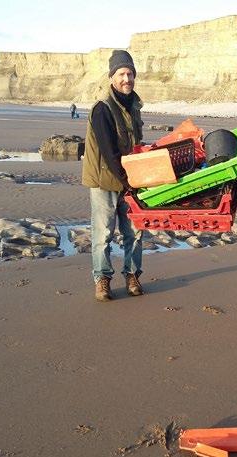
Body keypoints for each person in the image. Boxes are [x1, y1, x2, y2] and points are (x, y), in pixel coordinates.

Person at [81, 49, 145, 301]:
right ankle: (102, 279)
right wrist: (129, 181)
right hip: (105, 181)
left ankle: (132, 275)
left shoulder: (134, 106)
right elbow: (109, 152)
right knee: (103, 234)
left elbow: (135, 144)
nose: (126, 79)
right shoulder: (102, 109)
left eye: (130, 74)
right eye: (121, 74)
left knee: (135, 232)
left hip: (130, 180)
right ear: (111, 77)